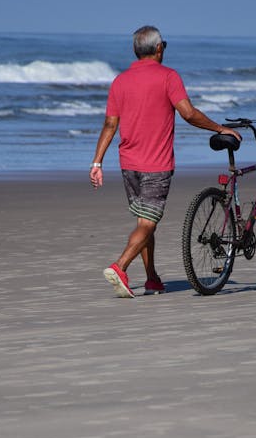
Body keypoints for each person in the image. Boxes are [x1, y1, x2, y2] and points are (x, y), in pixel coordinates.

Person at [89, 25, 241, 298]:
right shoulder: (168, 77)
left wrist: (97, 163)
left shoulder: (120, 81)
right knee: (148, 223)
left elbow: (110, 124)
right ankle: (120, 266)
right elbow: (188, 113)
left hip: (128, 164)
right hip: (156, 165)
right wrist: (220, 128)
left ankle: (152, 279)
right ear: (159, 49)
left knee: (144, 222)